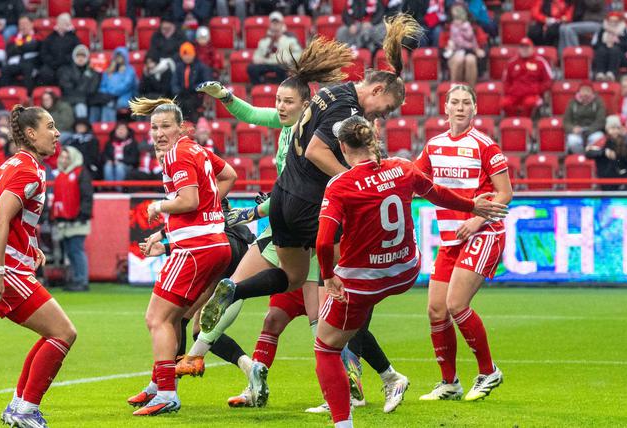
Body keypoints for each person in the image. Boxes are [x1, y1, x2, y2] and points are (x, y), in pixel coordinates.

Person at [194, 38, 411, 413]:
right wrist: (354, 182)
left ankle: (237, 289)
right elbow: (316, 151)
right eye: (387, 108)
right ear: (377, 90)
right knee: (342, 300)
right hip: (313, 207)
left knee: (293, 279)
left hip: (283, 200)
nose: (383, 116)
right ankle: (371, 383)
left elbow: (298, 139)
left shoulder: (331, 93)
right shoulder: (346, 108)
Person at [315, 115, 509, 428]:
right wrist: (473, 206)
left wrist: (327, 276)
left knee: (325, 347)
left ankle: (343, 423)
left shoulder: (340, 185)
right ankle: (394, 376)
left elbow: (324, 242)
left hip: (364, 280)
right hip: (405, 270)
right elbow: (436, 192)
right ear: (373, 140)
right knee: (360, 321)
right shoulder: (403, 167)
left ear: (343, 147)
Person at [124, 97, 237, 416]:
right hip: (215, 244)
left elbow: (188, 201)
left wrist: (157, 206)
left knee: (156, 318)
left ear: (181, 128)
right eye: (154, 128)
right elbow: (229, 175)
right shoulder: (197, 149)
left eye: (165, 127)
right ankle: (158, 384)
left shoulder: (177, 154)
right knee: (173, 318)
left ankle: (166, 393)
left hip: (195, 249)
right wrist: (210, 207)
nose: (159, 133)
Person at [0, 104, 76, 428]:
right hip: (0, 266)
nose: (57, 133)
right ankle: (26, 410)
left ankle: (18, 406)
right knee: (63, 333)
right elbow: (0, 219)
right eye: (50, 126)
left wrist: (31, 246)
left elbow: (1, 216)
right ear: (31, 133)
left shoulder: (13, 164)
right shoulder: (28, 170)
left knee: (52, 333)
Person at [414, 84, 512, 403]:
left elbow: (505, 193)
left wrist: (476, 220)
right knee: (436, 310)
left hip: (484, 232)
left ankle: (488, 371)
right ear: (445, 108)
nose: (459, 107)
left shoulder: (485, 146)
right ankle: (449, 383)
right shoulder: (434, 146)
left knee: (456, 304)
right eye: (454, 102)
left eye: (465, 103)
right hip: (451, 237)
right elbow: (413, 180)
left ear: (474, 109)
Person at [51, 146, 93, 292]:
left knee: (76, 250)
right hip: (65, 220)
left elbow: (87, 195)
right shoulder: (61, 175)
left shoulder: (81, 173)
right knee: (70, 251)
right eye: (62, 157)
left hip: (78, 220)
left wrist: (83, 214)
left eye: (67, 158)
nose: (64, 160)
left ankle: (81, 280)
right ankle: (76, 279)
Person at [247, 11, 303, 85]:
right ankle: (260, 87)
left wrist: (289, 58)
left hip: (281, 64)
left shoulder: (290, 40)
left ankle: (281, 87)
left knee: (283, 68)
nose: (275, 25)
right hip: (267, 63)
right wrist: (257, 59)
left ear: (282, 25)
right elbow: (256, 55)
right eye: (273, 23)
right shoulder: (264, 41)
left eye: (277, 23)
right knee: (251, 68)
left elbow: (299, 54)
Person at [502, 38, 552, 117]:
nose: (524, 50)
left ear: (532, 48)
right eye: (522, 47)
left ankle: (527, 122)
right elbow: (506, 81)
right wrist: (510, 90)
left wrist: (538, 90)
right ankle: (512, 122)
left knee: (529, 103)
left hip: (532, 94)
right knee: (505, 103)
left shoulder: (540, 62)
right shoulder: (511, 63)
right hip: (515, 94)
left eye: (527, 47)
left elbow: (548, 81)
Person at [442, 3, 488, 88]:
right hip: (453, 54)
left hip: (471, 53)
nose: (457, 19)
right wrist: (447, 48)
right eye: (455, 16)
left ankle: (470, 91)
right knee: (459, 59)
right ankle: (455, 90)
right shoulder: (447, 29)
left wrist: (479, 50)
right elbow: (442, 49)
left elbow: (483, 45)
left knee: (470, 60)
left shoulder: (474, 28)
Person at [59, 45, 102, 120]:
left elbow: (92, 90)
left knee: (82, 107)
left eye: (83, 56)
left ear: (87, 57)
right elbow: (67, 89)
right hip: (70, 100)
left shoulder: (93, 73)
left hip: (87, 101)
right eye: (78, 55)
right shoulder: (66, 70)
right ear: (74, 56)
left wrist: (85, 77)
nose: (80, 58)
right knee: (79, 107)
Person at [37, 13, 81, 86]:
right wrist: (51, 62)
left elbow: (76, 52)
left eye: (66, 22)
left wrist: (64, 60)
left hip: (66, 65)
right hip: (51, 64)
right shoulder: (50, 37)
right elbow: (44, 52)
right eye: (62, 22)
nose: (64, 24)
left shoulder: (74, 38)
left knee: (64, 74)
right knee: (44, 72)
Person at [171, 42, 211, 122]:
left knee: (189, 105)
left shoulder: (201, 67)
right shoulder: (179, 67)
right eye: (185, 55)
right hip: (182, 95)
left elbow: (206, 82)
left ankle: (193, 124)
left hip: (197, 95)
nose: (187, 57)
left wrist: (194, 88)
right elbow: (174, 83)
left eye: (189, 54)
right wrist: (179, 91)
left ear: (194, 54)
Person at [562, 83, 607, 154]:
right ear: (579, 91)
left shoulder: (598, 102)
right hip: (577, 130)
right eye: (583, 90)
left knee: (598, 138)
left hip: (593, 130)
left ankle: (591, 155)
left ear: (592, 92)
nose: (585, 93)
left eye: (588, 91)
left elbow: (601, 120)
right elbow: (566, 121)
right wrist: (572, 129)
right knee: (572, 141)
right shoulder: (572, 102)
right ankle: (581, 156)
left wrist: (589, 130)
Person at [590, 13, 627, 82]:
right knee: (601, 50)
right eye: (611, 21)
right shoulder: (602, 29)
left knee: (614, 50)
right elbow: (594, 44)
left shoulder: (625, 30)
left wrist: (618, 42)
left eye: (615, 21)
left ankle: (611, 74)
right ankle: (600, 73)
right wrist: (605, 42)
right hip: (604, 54)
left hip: (621, 56)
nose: (613, 23)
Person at [99, 47, 139, 123]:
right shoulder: (109, 70)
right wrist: (106, 94)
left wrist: (112, 92)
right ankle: (108, 126)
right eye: (117, 56)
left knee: (117, 103)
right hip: (110, 97)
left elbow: (126, 85)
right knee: (107, 104)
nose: (119, 58)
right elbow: (103, 86)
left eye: (121, 56)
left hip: (126, 96)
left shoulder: (129, 70)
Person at [1, 16, 40, 91]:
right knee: (5, 69)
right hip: (17, 63)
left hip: (32, 63)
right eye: (21, 24)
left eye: (25, 24)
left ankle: (28, 94)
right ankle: (6, 93)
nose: (23, 27)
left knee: (28, 68)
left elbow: (33, 47)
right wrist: (23, 47)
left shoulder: (37, 36)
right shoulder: (14, 37)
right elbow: (9, 51)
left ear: (32, 24)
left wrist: (18, 47)